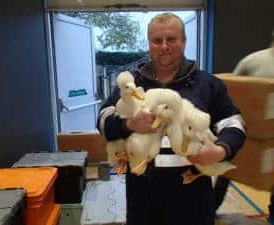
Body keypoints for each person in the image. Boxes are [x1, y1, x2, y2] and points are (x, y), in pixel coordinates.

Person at [97, 13, 246, 225]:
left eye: (171, 39)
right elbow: (103, 120)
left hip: (194, 198)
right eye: (157, 41)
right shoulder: (132, 84)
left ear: (183, 41)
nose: (164, 46)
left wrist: (220, 150)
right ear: (149, 44)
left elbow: (234, 123)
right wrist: (129, 124)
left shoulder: (209, 85)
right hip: (142, 198)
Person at [233, 30, 274, 224]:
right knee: (227, 167)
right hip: (244, 131)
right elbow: (232, 90)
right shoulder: (253, 61)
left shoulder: (251, 60)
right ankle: (209, 208)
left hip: (268, 139)